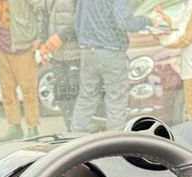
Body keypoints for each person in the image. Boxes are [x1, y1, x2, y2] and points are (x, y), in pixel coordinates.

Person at [69, 0, 161, 132]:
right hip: (112, 52)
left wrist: (87, 41)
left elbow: (77, 22)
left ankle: (75, 137)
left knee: (87, 96)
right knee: (116, 101)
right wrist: (148, 21)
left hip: (88, 51)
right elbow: (126, 22)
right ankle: (115, 140)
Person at [0, 0, 46, 141]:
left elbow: (41, 9)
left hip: (23, 45)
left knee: (28, 90)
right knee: (7, 90)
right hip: (1, 45)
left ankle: (33, 129)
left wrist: (40, 37)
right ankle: (14, 126)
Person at [39, 0, 81, 123]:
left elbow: (84, 20)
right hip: (57, 56)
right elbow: (45, 17)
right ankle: (69, 127)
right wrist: (43, 43)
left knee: (77, 97)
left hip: (77, 55)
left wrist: (62, 37)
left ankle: (79, 131)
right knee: (61, 95)